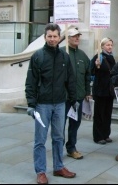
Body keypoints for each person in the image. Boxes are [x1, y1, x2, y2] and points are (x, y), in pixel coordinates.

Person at [25, 23, 77, 184]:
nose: (52, 39)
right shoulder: (38, 56)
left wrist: (73, 99)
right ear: (45, 37)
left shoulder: (64, 56)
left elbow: (70, 79)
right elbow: (31, 82)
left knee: (58, 137)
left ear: (59, 37)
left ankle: (58, 167)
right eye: (49, 36)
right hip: (42, 105)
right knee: (40, 140)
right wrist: (31, 104)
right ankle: (40, 171)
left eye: (55, 36)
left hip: (60, 104)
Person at [61, 27, 91, 160]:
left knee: (75, 124)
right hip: (62, 98)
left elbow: (87, 76)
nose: (77, 38)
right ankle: (58, 148)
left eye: (78, 36)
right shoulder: (60, 53)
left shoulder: (83, 55)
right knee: (59, 125)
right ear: (67, 38)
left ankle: (71, 148)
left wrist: (87, 92)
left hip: (78, 98)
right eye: (74, 36)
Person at [90, 37, 116, 145]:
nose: (109, 47)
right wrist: (96, 66)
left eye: (111, 45)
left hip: (109, 90)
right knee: (99, 114)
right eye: (107, 45)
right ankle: (98, 136)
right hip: (100, 90)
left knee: (107, 113)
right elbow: (91, 71)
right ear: (102, 46)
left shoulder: (112, 58)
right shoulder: (98, 57)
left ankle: (106, 134)